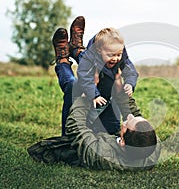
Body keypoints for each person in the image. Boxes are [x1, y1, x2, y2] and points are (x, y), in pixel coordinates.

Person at [53, 16, 140, 135]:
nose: (115, 58)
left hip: (107, 96)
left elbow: (130, 71)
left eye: (118, 54)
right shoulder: (90, 57)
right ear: (99, 50)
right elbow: (84, 76)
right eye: (111, 55)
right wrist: (94, 94)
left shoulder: (120, 55)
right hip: (92, 83)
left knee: (112, 129)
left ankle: (76, 48)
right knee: (73, 82)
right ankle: (64, 59)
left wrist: (130, 83)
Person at [27, 95, 161, 171]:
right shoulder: (151, 148)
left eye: (126, 124)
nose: (128, 118)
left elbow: (75, 127)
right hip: (107, 136)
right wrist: (122, 94)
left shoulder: (101, 153)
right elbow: (135, 116)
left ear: (123, 142)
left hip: (92, 140)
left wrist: (86, 97)